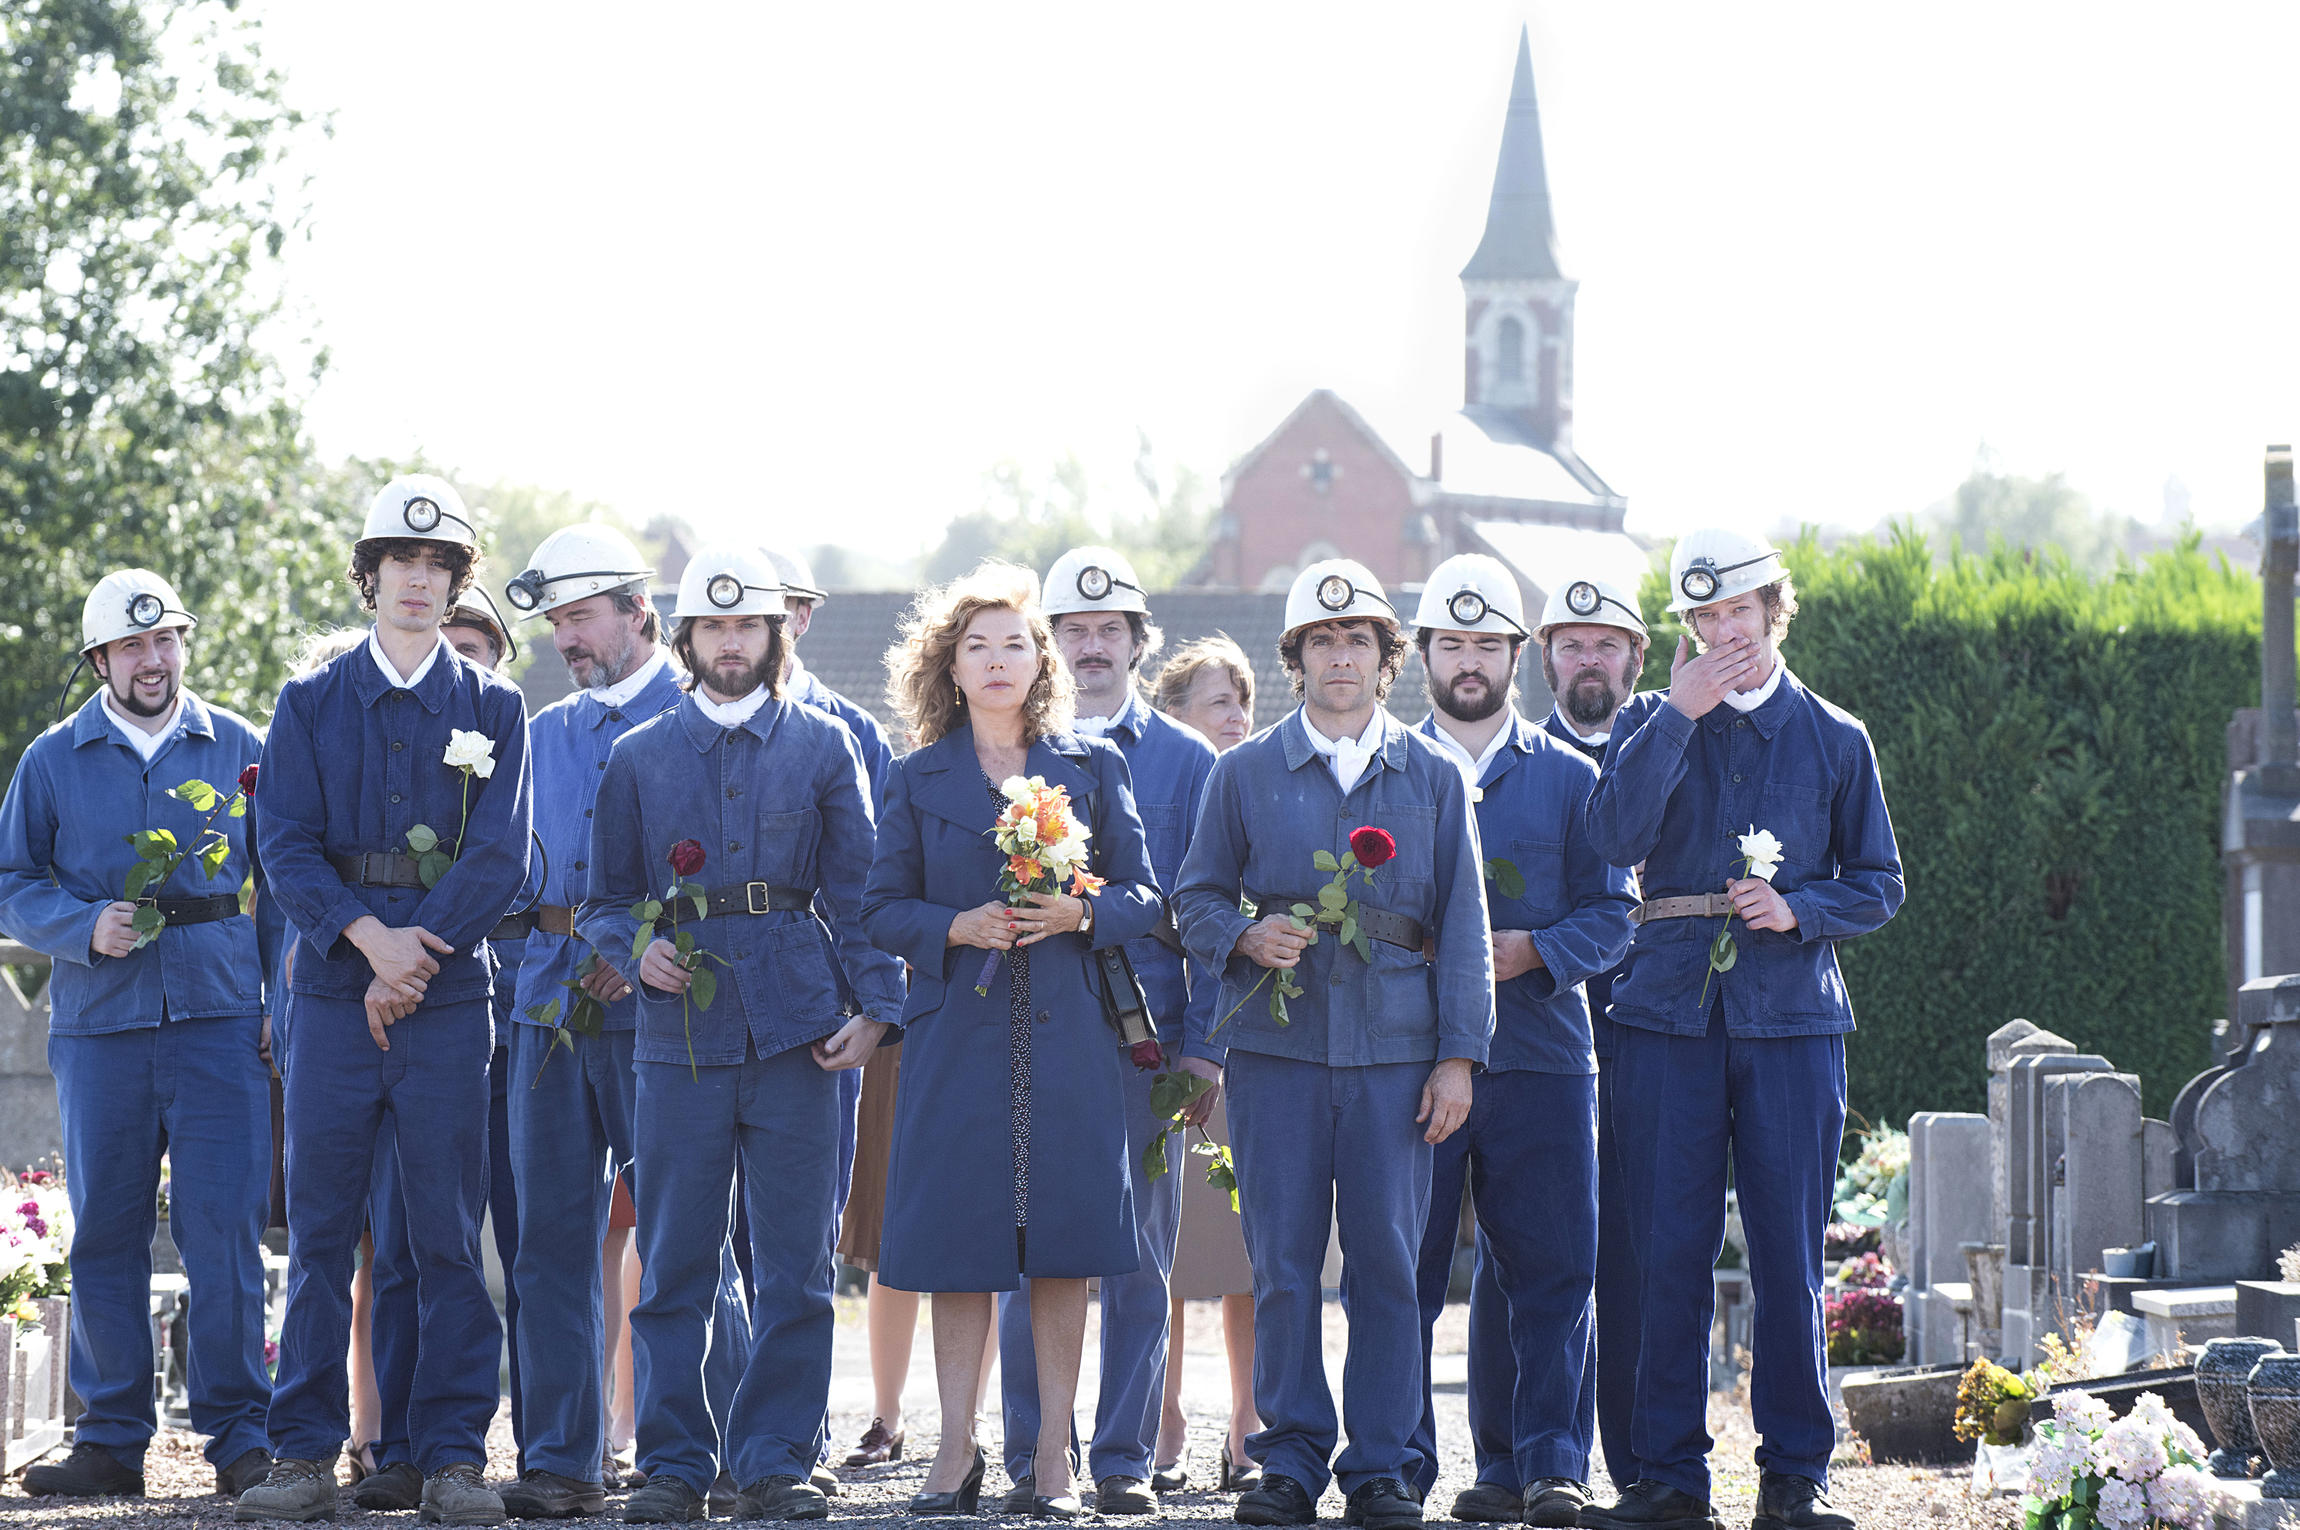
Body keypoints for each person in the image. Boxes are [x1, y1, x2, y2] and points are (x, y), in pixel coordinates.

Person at [1579, 532, 1903, 1530]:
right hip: (1663, 1017)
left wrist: (1798, 911)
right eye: (1704, 619)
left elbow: (1880, 884)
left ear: (1773, 608)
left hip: (1791, 1024)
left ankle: (1792, 1479)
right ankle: (1668, 1478)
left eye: (1739, 613)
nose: (1724, 634)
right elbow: (1610, 839)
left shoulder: (1833, 737)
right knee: (1663, 1251)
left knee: (1785, 1256)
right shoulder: (1650, 717)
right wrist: (1678, 716)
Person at [580, 544, 905, 1524]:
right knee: (675, 1257)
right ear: (683, 638)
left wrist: (876, 1009)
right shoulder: (637, 757)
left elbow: (861, 892)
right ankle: (675, 1465)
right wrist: (634, 949)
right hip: (676, 1041)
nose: (731, 643)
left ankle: (773, 1461)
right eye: (713, 627)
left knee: (797, 1263)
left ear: (775, 634)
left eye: (747, 625)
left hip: (800, 1034)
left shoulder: (822, 745)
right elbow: (603, 901)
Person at [1172, 558, 1494, 1530]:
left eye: (1357, 639)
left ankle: (1383, 1466)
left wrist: (1456, 1058)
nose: (1339, 656)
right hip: (1277, 1055)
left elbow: (1466, 927)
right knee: (1280, 1261)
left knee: (1391, 1265)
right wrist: (1240, 934)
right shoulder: (1243, 772)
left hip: (1396, 1057)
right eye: (1321, 640)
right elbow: (1191, 897)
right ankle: (1288, 1459)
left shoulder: (1433, 776)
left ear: (1386, 658)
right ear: (1295, 658)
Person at [237, 474, 533, 1525]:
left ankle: (453, 1457)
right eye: (400, 565)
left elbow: (501, 854)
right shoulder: (308, 702)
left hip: (449, 999)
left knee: (449, 1237)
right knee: (319, 1238)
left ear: (455, 582)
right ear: (369, 578)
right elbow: (284, 844)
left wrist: (415, 959)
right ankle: (304, 1458)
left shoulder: (495, 705)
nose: (418, 581)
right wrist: (370, 946)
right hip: (328, 992)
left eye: (437, 566)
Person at [861, 561, 1163, 1519]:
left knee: (1062, 1243)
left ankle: (1051, 1462)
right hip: (960, 1040)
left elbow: (1147, 899)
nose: (997, 661)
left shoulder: (1093, 766)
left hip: (1067, 1039)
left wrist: (1079, 917)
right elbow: (878, 909)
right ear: (950, 667)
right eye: (976, 646)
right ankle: (954, 1453)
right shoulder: (913, 777)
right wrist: (956, 927)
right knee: (958, 1245)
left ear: (1043, 663)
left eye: (1015, 644)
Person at [0, 569, 281, 1501]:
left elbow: (284, 882)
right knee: (108, 1232)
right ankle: (113, 1435)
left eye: (165, 642)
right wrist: (80, 926)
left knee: (224, 1233)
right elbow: (11, 881)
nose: (152, 661)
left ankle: (241, 1435)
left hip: (219, 1018)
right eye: (131, 647)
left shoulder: (242, 745)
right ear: (100, 661)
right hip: (100, 1026)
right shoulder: (50, 760)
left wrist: (280, 1001)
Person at [495, 522, 739, 1521]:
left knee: (685, 1239)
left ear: (641, 613)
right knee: (547, 1244)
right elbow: (500, 879)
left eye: (582, 615)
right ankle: (562, 1459)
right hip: (543, 1011)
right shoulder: (536, 735)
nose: (567, 638)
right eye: (556, 621)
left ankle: (712, 1452)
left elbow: (729, 871)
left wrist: (633, 958)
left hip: (666, 1014)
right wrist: (539, 959)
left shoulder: (702, 724)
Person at [1402, 555, 1637, 1526]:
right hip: (1408, 1062)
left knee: (1548, 1276)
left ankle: (1542, 1467)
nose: (1468, 661)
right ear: (1422, 652)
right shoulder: (1386, 770)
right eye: (1450, 643)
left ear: (1513, 657)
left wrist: (1532, 948)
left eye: (1485, 644)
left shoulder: (1572, 781)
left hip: (1539, 1054)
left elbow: (1613, 912)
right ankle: (1397, 1465)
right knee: (1401, 1276)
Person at [991, 547, 1216, 1516]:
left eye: (1106, 629)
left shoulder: (1192, 761)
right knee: (1019, 1252)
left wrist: (1203, 1044)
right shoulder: (1000, 750)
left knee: (1137, 1258)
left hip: (1144, 1043)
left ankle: (1121, 1457)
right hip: (1026, 1042)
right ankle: (1028, 1453)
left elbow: (1206, 915)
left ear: (1136, 639)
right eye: (1070, 630)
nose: (1088, 645)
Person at [351, 588, 539, 1514]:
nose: (458, 660)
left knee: (470, 1239)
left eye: (477, 650)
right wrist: (394, 967)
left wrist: (414, 962)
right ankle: (394, 1445)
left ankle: (480, 1446)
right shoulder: (376, 737)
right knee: (398, 1244)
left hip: (487, 1012)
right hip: (398, 1014)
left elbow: (510, 861)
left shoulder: (504, 738)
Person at [1534, 573, 1663, 1498]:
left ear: (1635, 659)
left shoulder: (1677, 747)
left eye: (1607, 642)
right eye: (1572, 642)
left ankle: (1640, 1468)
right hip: (1541, 1041)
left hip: (1654, 1035)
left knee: (1636, 1259)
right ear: (1546, 657)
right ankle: (1531, 1463)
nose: (1590, 658)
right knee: (1534, 1261)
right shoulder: (1516, 761)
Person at [1149, 636, 1260, 1493]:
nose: (1236, 717)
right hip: (1179, 1039)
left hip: (1256, 1041)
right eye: (1217, 701)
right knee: (1173, 1251)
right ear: (1174, 715)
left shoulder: (1266, 793)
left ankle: (1249, 1418)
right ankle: (1166, 1414)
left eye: (1242, 701)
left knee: (1249, 1252)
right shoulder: (1161, 793)